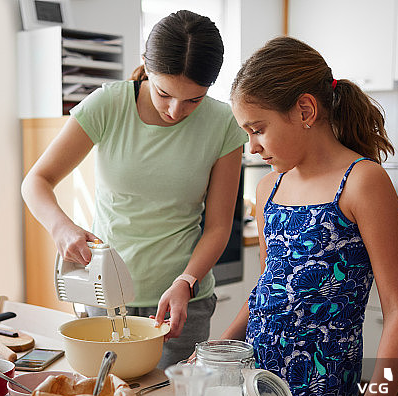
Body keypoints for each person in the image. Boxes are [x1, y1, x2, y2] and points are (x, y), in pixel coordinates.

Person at [222, 36, 398, 396]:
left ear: (305, 110)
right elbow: (268, 284)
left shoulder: (363, 182)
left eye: (258, 129)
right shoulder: (268, 188)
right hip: (256, 379)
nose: (251, 146)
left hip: (323, 386)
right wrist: (222, 344)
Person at [21, 10, 247, 368]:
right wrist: (61, 227)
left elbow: (219, 227)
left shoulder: (223, 124)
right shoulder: (109, 104)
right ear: (146, 64)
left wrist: (186, 282)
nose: (176, 110)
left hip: (182, 302)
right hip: (106, 295)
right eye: (164, 93)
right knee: (104, 394)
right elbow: (36, 181)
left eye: (194, 99)